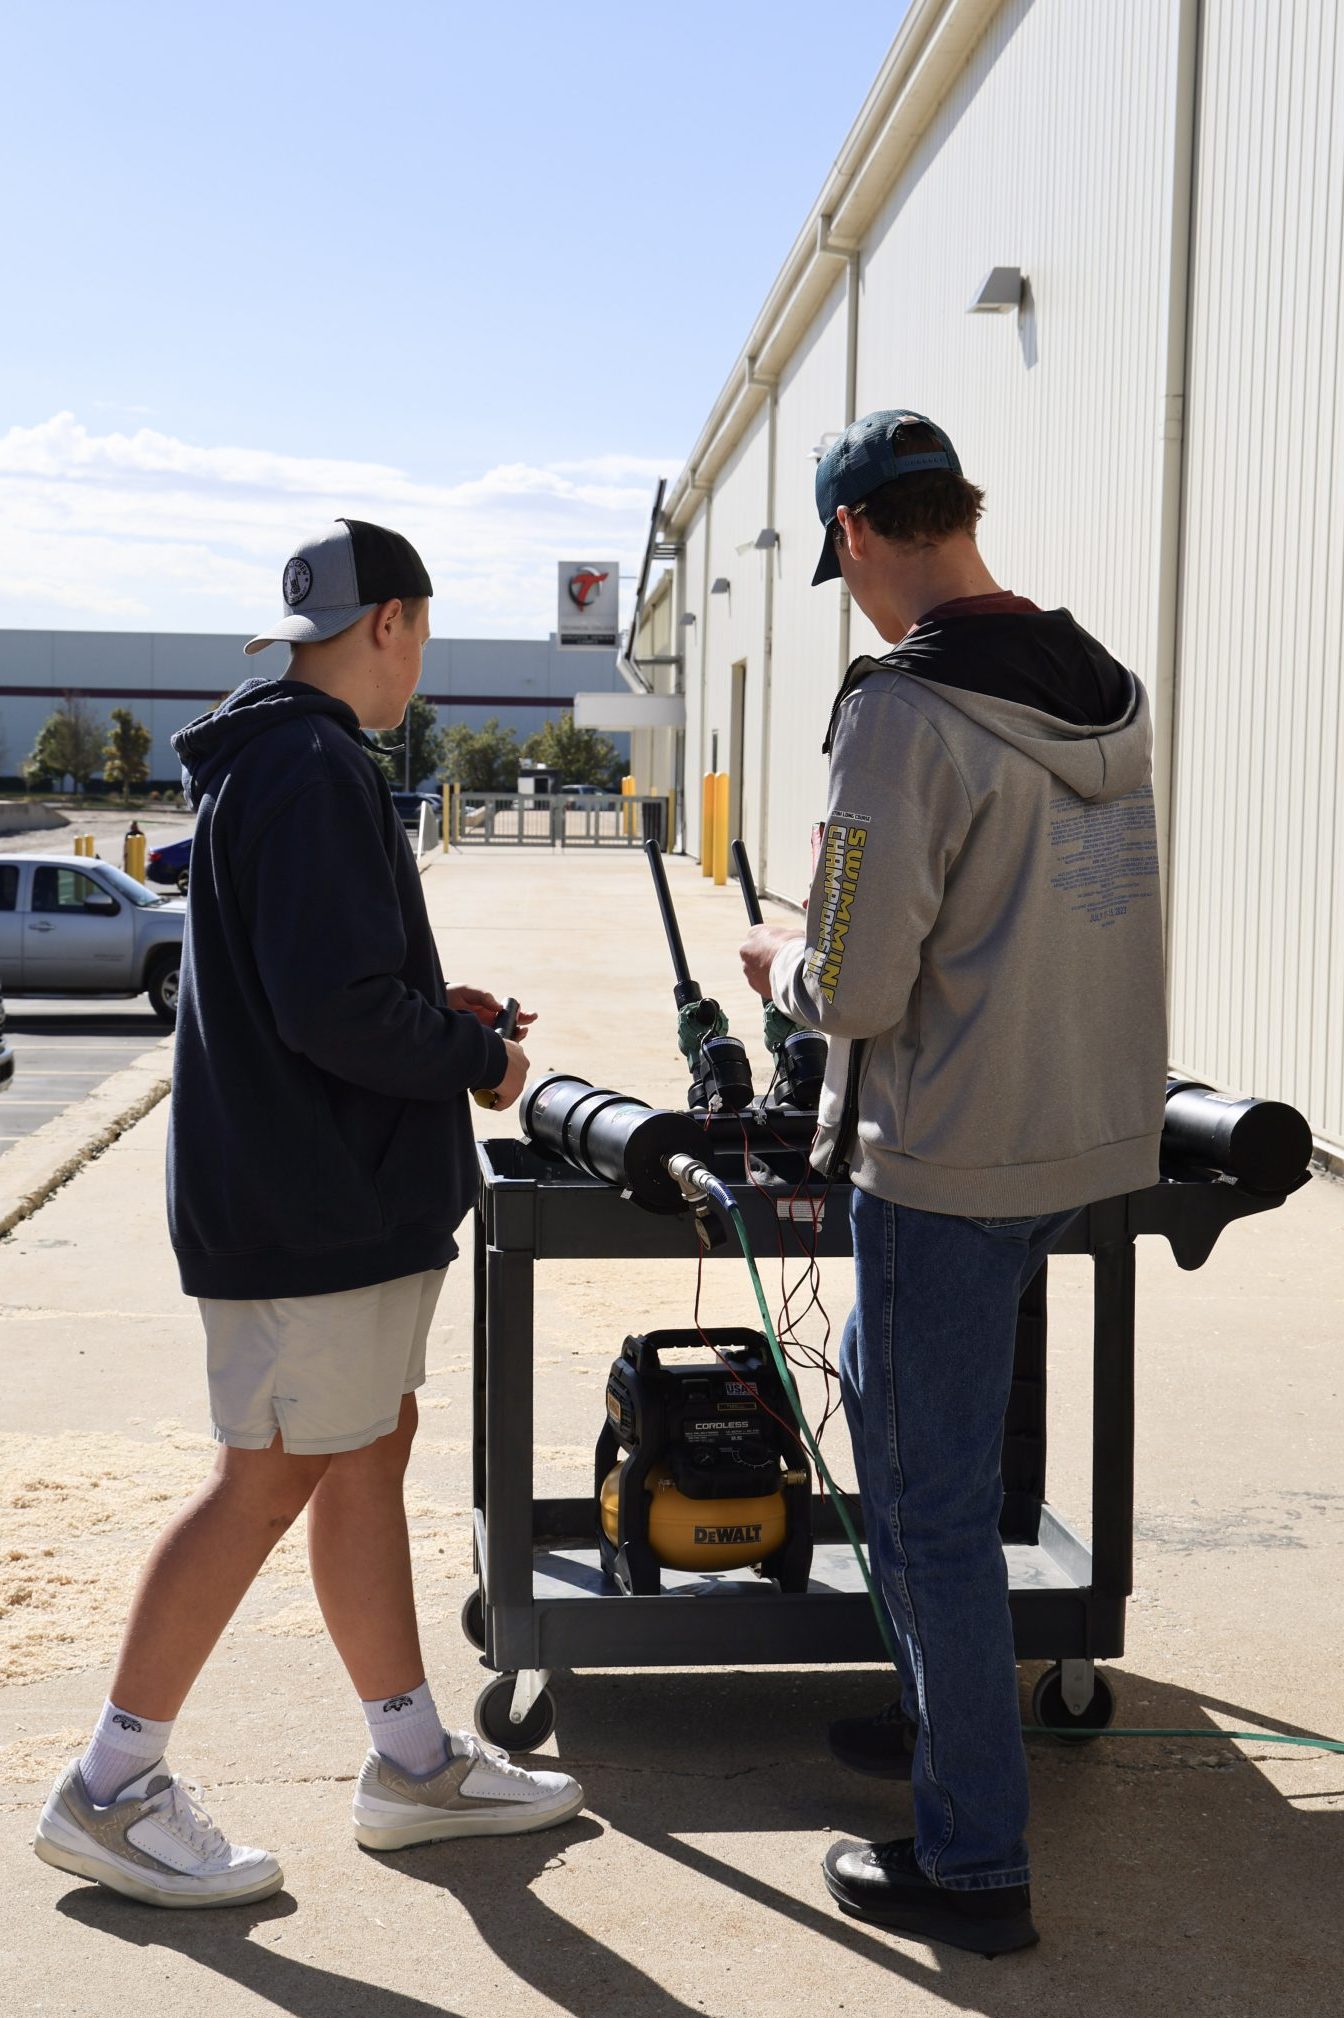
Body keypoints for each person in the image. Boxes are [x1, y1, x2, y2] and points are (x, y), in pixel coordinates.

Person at [35, 519, 584, 1908]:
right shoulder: (314, 766)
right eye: (423, 636)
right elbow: (333, 1012)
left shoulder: (273, 756)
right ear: (390, 621)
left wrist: (427, 1007)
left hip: (319, 1193)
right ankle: (109, 1787)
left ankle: (412, 1761)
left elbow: (321, 983)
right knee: (270, 1472)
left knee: (363, 1453)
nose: (421, 666)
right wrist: (481, 1060)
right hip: (307, 1204)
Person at [740, 412, 1167, 1956]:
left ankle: (973, 1859)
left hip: (947, 1160)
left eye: (840, 564)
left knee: (925, 1508)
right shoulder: (1102, 681)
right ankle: (951, 1717)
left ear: (855, 532)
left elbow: (856, 984)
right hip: (1080, 1133)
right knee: (899, 1411)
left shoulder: (899, 711)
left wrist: (779, 958)